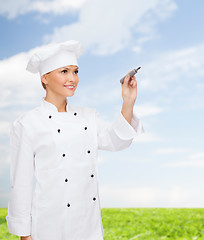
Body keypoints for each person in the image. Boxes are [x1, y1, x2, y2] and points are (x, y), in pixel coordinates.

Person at [6, 40, 144, 240]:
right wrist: (24, 235)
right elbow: (21, 183)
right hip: (48, 228)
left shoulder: (88, 116)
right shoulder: (27, 124)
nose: (73, 78)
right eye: (64, 71)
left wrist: (128, 101)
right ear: (44, 77)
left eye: (75, 71)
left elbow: (118, 140)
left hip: (89, 227)